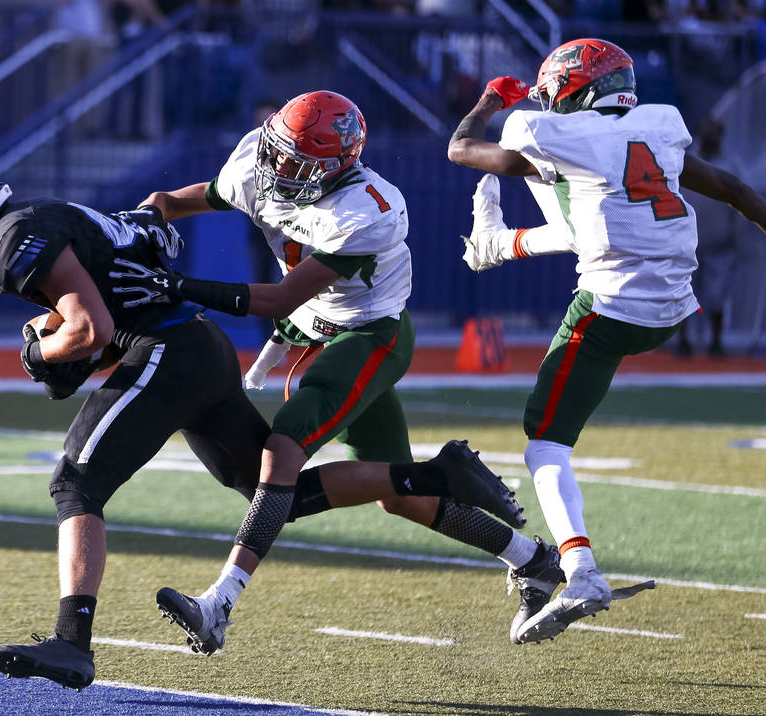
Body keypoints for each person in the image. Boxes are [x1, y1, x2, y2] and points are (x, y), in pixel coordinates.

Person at [0, 158, 525, 690]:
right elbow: (123, 284)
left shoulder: (11, 239)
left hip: (172, 350)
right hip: (199, 346)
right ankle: (432, 476)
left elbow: (88, 328)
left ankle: (72, 640)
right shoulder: (43, 215)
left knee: (75, 482)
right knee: (267, 489)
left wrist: (44, 353)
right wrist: (69, 355)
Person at [112, 90, 560, 653]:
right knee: (397, 494)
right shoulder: (258, 161)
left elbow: (279, 298)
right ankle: (532, 559)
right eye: (277, 152)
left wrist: (179, 286)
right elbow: (171, 201)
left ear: (336, 165)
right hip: (318, 332)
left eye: (296, 163)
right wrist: (138, 224)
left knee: (283, 445)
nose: (278, 168)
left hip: (370, 335)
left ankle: (219, 603)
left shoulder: (366, 208)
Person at [446, 38, 766, 643]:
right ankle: (503, 243)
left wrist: (488, 100)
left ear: (577, 89)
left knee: (544, 445)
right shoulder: (660, 126)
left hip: (613, 305)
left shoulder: (555, 131)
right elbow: (738, 192)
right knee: (578, 188)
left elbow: (461, 149)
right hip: (674, 307)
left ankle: (579, 568)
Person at [675, 118, 740, 358]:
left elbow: (739, 196)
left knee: (716, 295)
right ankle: (683, 341)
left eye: (714, 132)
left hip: (719, 244)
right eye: (706, 131)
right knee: (682, 292)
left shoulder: (731, 164)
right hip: (686, 244)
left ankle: (716, 342)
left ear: (721, 135)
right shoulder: (685, 161)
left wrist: (735, 236)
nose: (709, 136)